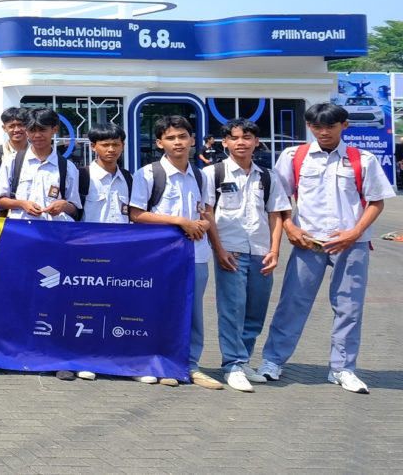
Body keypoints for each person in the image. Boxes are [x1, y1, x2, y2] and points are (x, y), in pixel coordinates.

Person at [257, 102, 394, 394]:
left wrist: (355, 232)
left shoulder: (363, 159)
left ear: (344, 126)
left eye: (330, 127)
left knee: (349, 307)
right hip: (308, 242)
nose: (323, 132)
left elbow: (376, 201)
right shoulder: (294, 156)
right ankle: (272, 361)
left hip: (351, 244)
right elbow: (279, 198)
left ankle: (343, 369)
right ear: (309, 126)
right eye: (317, 127)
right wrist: (290, 228)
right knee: (292, 303)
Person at [128, 115, 219, 390]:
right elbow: (136, 214)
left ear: (192, 140)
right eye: (170, 138)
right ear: (159, 143)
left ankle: (190, 365)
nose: (177, 142)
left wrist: (203, 225)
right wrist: (180, 221)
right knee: (157, 309)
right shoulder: (147, 174)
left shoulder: (201, 175)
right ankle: (157, 363)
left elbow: (207, 212)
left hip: (196, 254)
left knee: (193, 312)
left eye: (182, 136)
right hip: (160, 257)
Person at [0, 107, 80, 381]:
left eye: (42, 129)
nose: (36, 135)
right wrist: (21, 203)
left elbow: (75, 207)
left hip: (54, 241)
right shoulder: (14, 161)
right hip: (19, 239)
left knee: (52, 296)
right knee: (15, 294)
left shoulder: (67, 166)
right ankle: (5, 353)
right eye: (32, 130)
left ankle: (53, 355)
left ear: (55, 130)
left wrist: (63, 205)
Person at [202, 118, 288, 392]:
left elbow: (275, 215)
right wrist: (219, 250)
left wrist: (274, 250)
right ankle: (233, 365)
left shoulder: (268, 176)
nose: (241, 142)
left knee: (255, 311)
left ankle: (245, 358)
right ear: (225, 142)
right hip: (231, 251)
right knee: (233, 309)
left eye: (247, 137)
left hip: (261, 251)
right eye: (235, 138)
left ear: (256, 142)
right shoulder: (213, 173)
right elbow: (207, 214)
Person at [80, 124, 132, 225]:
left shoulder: (128, 177)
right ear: (93, 146)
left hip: (122, 234)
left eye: (116, 145)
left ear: (123, 146)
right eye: (105, 145)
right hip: (91, 234)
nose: (111, 149)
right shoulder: (83, 176)